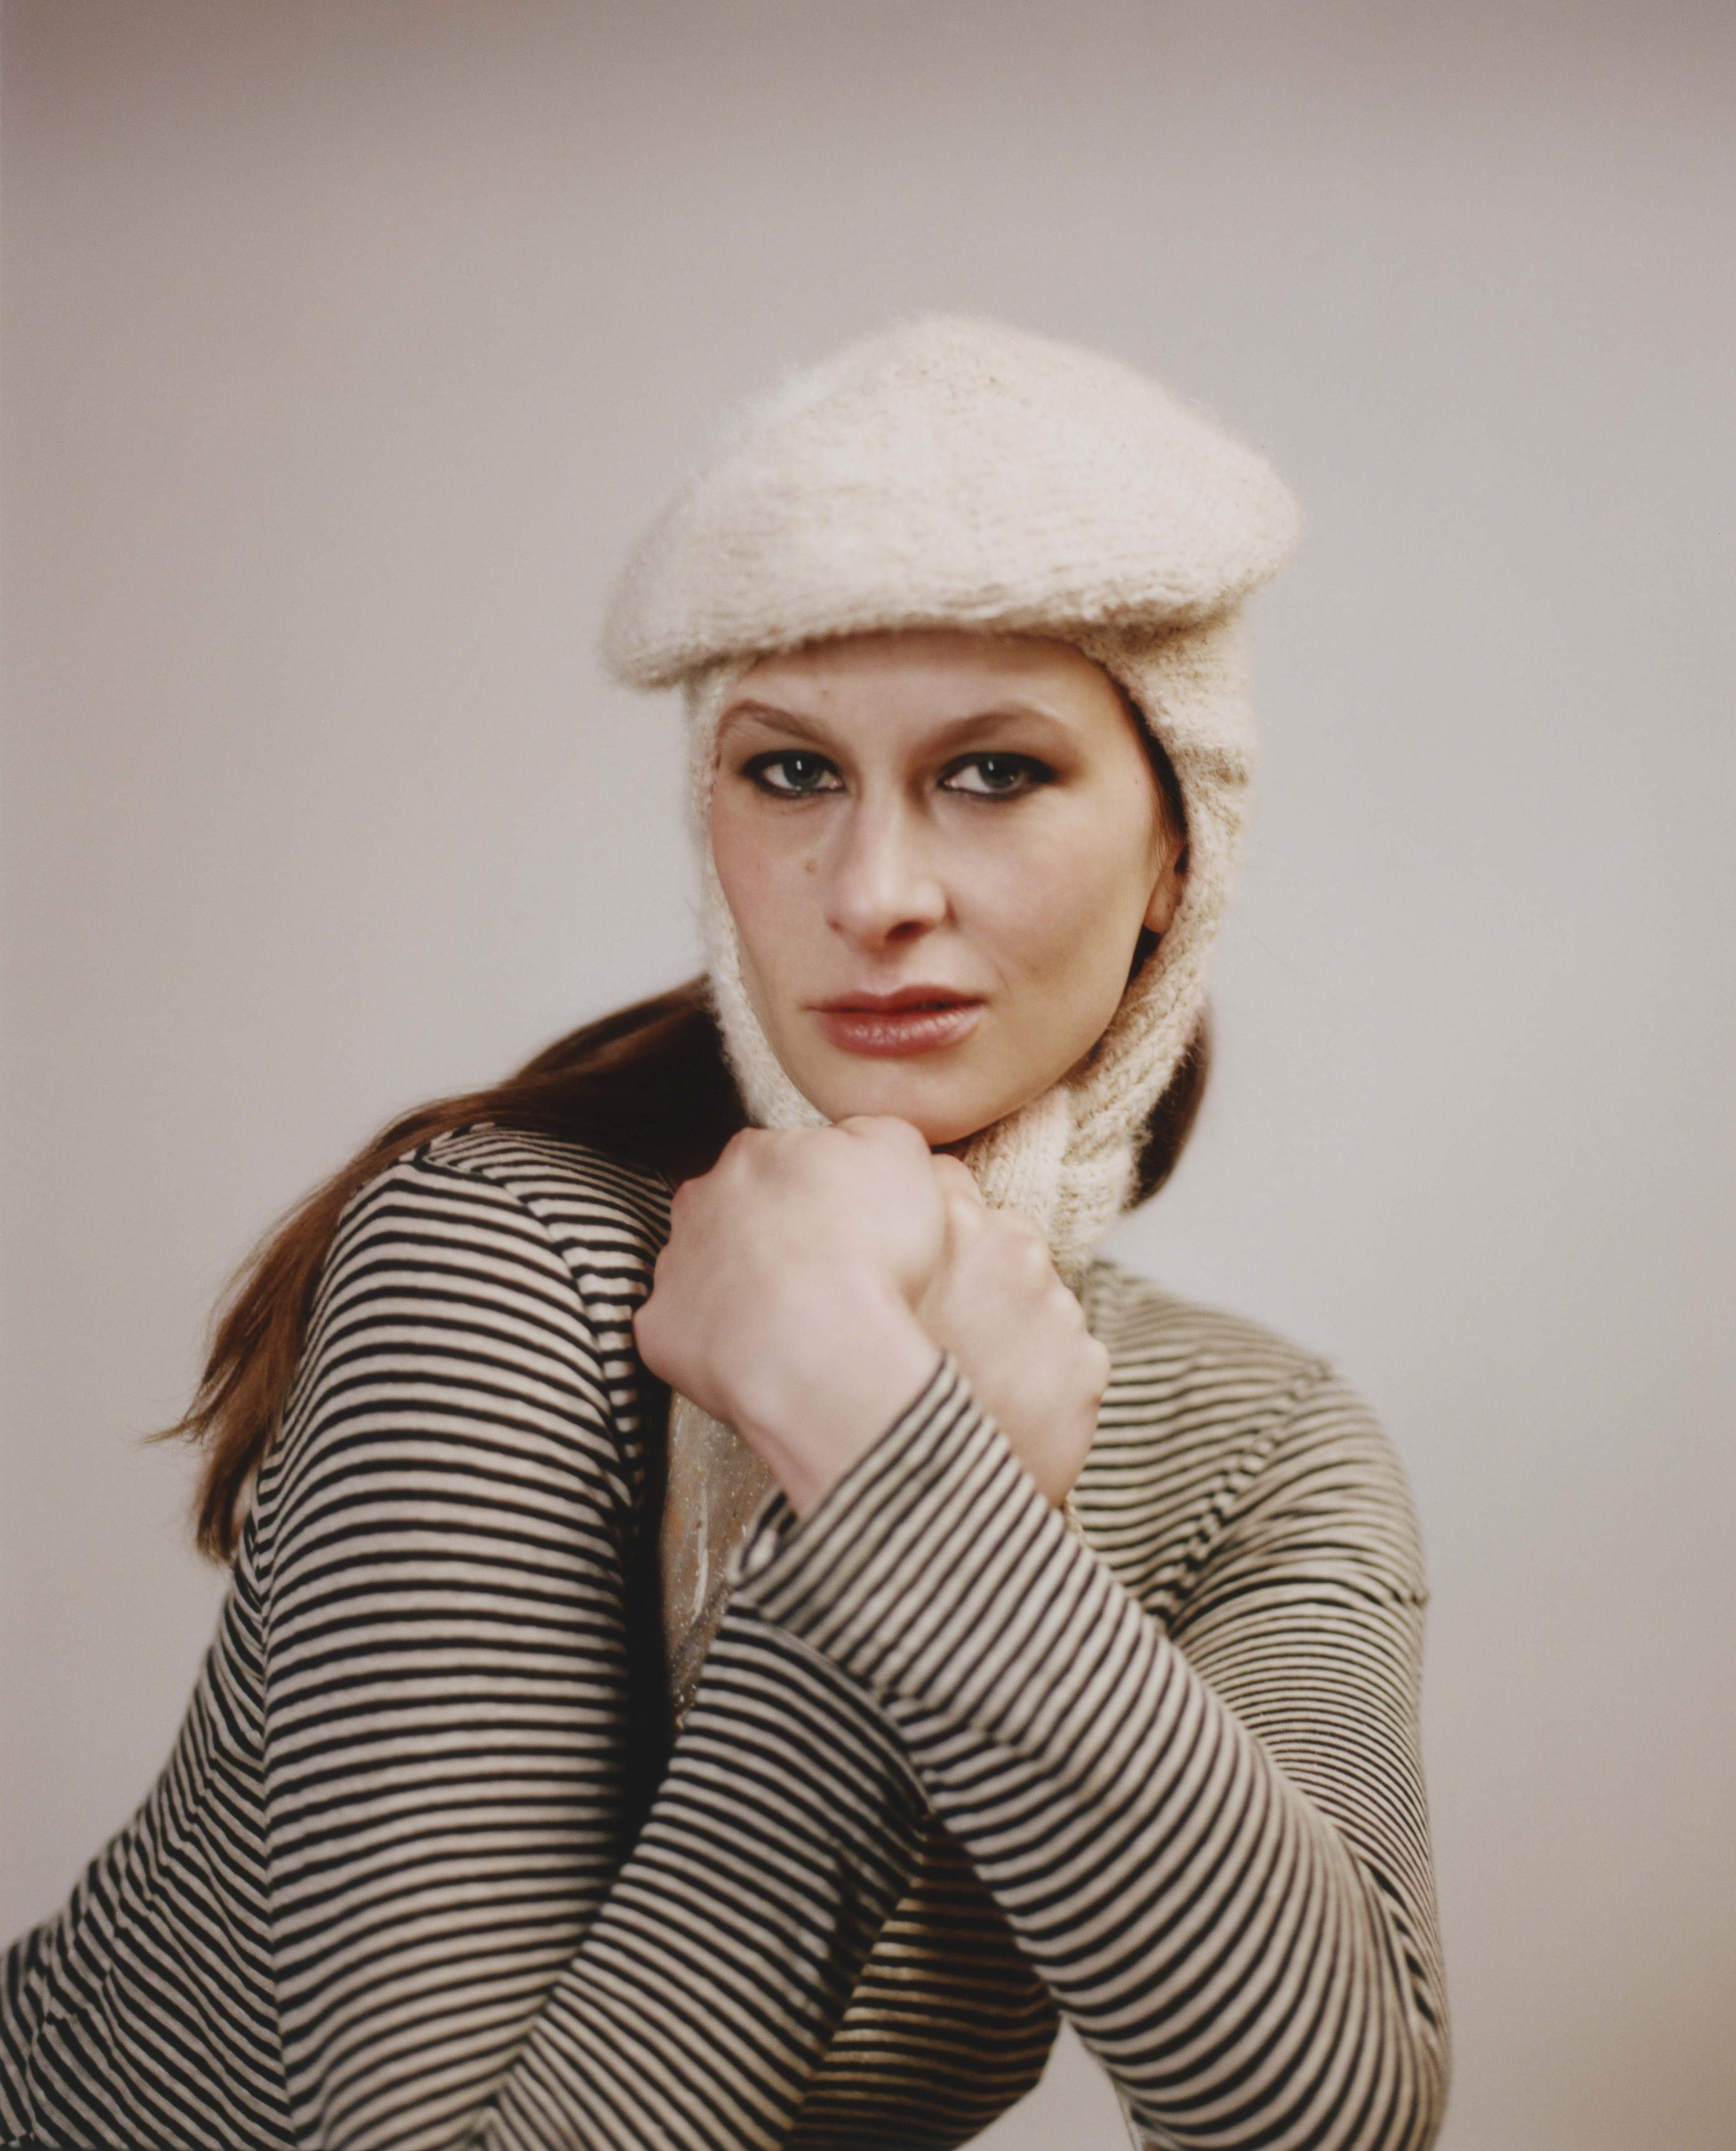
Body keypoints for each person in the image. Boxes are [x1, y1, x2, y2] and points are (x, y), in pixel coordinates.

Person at [0, 315, 1449, 2151]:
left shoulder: (1258, 1444)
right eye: (788, 773)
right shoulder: (500, 1262)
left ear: (1180, 844)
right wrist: (914, 1486)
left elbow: (1327, 2116)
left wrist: (869, 1434)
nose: (872, 893)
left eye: (995, 770)